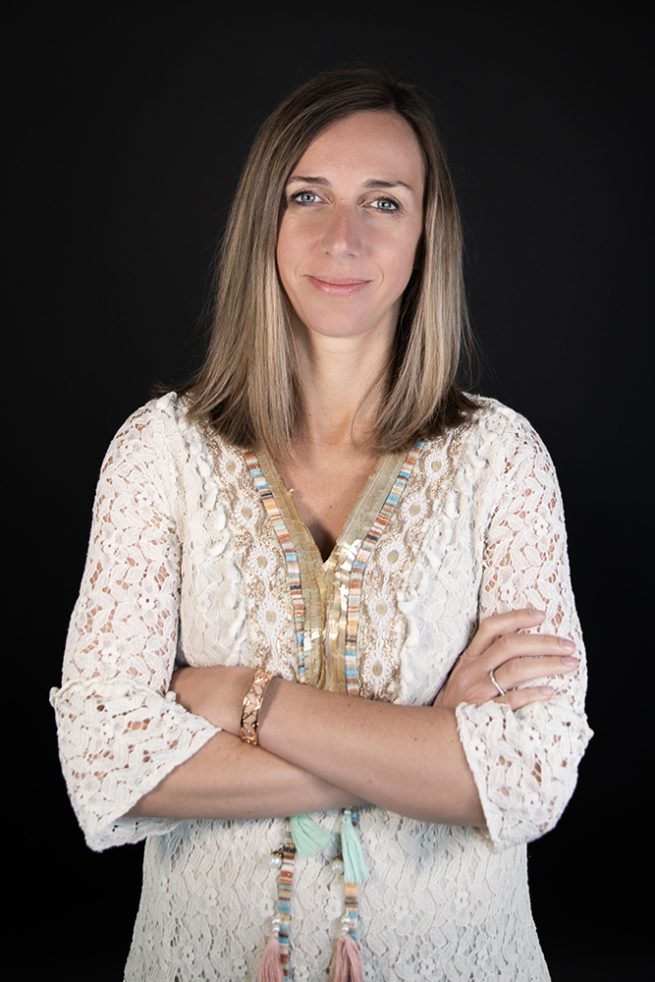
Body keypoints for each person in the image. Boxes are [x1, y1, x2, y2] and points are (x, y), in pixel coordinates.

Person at [49, 62, 594, 981]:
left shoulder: (501, 458)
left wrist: (240, 702)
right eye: (308, 195)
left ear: (426, 236)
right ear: (264, 220)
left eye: (383, 203)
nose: (341, 237)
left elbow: (532, 777)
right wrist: (424, 739)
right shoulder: (161, 453)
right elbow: (106, 766)